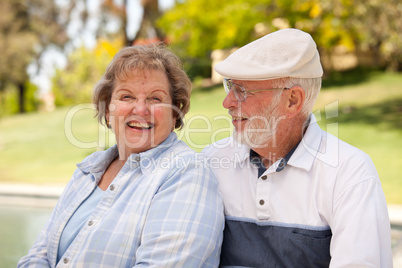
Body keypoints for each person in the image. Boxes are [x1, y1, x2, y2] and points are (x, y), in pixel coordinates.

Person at [18, 44, 224, 268]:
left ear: (176, 112)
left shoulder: (186, 173)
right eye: (126, 96)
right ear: (107, 110)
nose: (141, 109)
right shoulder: (88, 171)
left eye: (155, 99)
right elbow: (37, 256)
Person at [202, 28, 392, 267]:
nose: (227, 102)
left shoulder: (349, 173)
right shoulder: (211, 162)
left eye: (241, 91)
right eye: (229, 87)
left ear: (293, 100)